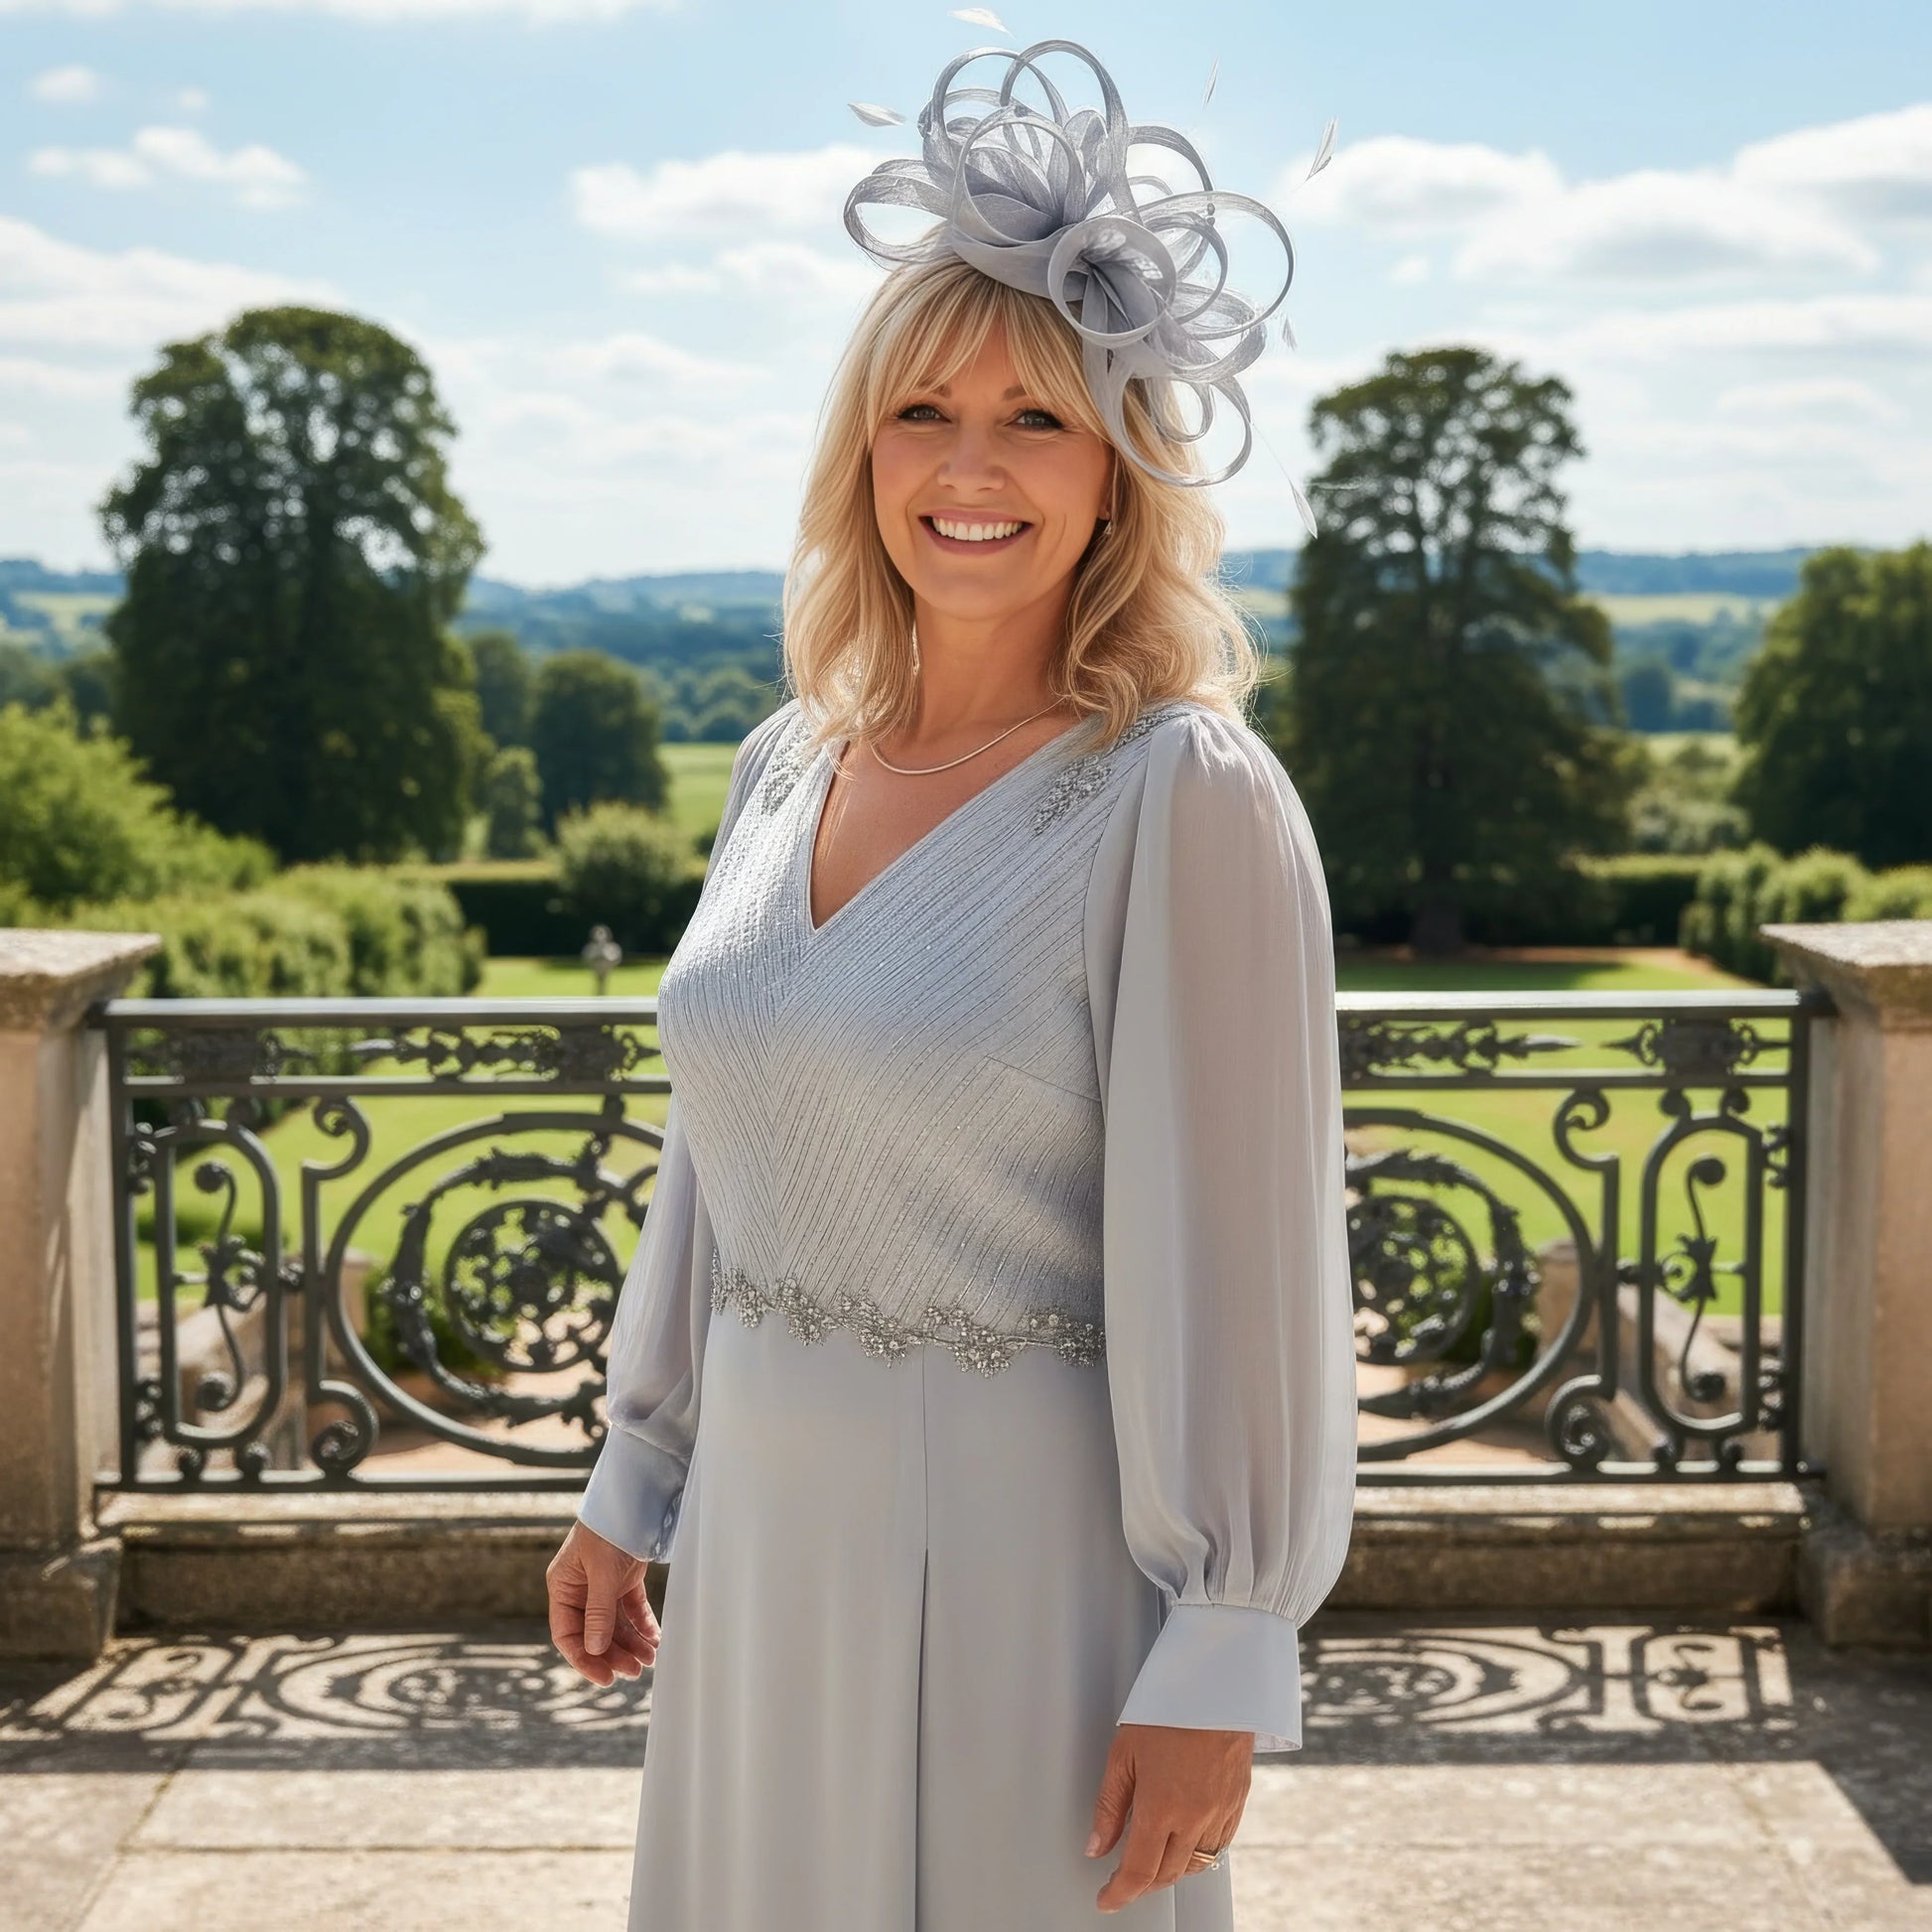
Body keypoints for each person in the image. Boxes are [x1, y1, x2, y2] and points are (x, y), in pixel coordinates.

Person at [545, 37, 1357, 1930]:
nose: (969, 468)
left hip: (1030, 1565)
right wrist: (634, 1466)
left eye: (1035, 421)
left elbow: (1247, 1246)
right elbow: (725, 1143)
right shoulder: (782, 762)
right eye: (922, 412)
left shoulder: (1179, 793)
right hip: (762, 1535)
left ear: (1118, 471)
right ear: (862, 453)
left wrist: (1225, 1640)